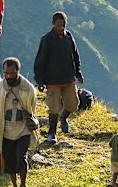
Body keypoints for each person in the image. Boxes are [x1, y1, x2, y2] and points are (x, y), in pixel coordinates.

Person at [34, 11, 84, 144]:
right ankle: (52, 133)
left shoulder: (69, 37)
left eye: (63, 25)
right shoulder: (47, 39)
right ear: (53, 24)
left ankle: (64, 118)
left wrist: (78, 72)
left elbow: (75, 55)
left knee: (73, 104)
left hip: (68, 78)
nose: (60, 28)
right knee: (54, 107)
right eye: (58, 25)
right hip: (52, 80)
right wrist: (40, 81)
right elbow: (40, 60)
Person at [0, 57, 39, 187]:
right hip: (6, 130)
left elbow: (32, 107)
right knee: (9, 160)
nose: (8, 76)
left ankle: (23, 186)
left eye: (11, 73)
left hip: (23, 130)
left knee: (21, 157)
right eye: (6, 73)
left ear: (18, 71)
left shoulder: (28, 88)